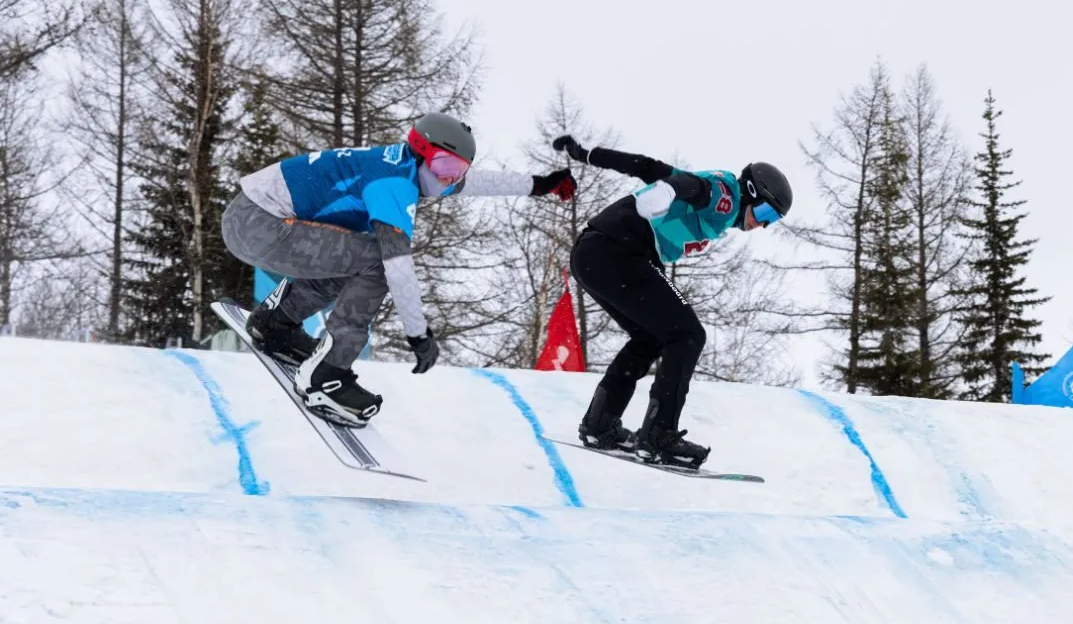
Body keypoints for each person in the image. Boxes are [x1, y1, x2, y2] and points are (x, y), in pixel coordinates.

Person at [223, 113, 576, 426]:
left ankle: (276, 325)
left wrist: (539, 185)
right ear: (421, 150)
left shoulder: (407, 165)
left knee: (353, 257)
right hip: (261, 226)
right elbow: (397, 268)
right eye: (445, 167)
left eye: (458, 170)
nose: (449, 181)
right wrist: (418, 335)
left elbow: (477, 182)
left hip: (249, 216)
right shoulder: (393, 184)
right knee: (376, 260)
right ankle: (327, 376)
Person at [552, 134, 792, 469]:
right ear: (751, 192)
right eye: (766, 211)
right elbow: (692, 185)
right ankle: (659, 436)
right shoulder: (727, 194)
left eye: (773, 220)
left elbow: (643, 166)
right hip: (617, 252)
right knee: (688, 334)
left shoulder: (717, 204)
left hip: (594, 255)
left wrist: (587, 154)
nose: (763, 224)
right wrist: (668, 192)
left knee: (650, 337)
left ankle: (600, 424)